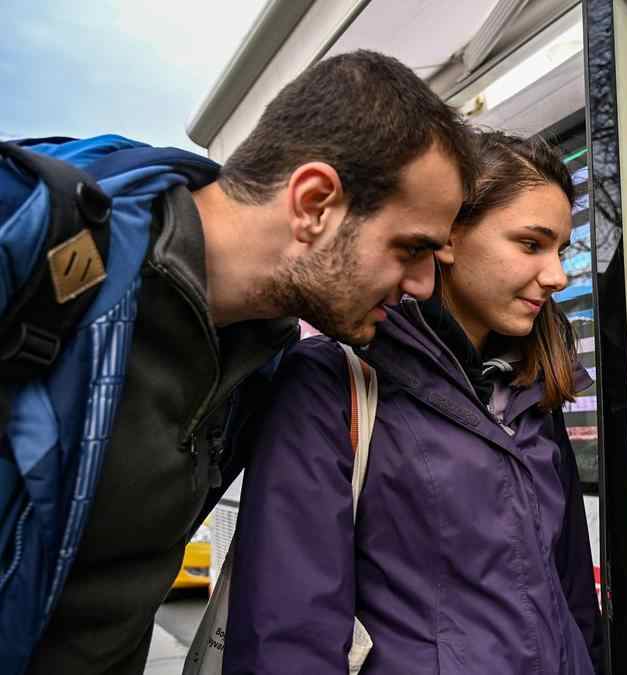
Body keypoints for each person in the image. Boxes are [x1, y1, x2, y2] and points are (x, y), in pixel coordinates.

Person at [3, 50, 474, 674]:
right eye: (410, 248)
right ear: (313, 203)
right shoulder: (44, 258)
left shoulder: (264, 359)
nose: (420, 284)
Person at [224, 132, 599, 674]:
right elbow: (287, 633)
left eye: (561, 250)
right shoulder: (333, 383)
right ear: (448, 236)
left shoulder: (534, 390)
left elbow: (571, 600)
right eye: (530, 244)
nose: (557, 275)